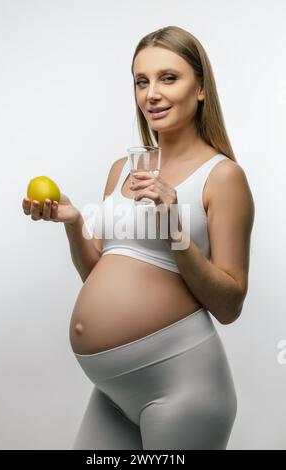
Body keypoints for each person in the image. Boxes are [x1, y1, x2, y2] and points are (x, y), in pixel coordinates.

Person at [22, 26, 255, 450]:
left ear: (201, 88)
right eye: (141, 81)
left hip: (184, 386)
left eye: (169, 78)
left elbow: (230, 305)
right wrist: (75, 225)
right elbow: (99, 275)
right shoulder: (122, 170)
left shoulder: (223, 177)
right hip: (114, 391)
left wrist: (175, 232)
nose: (152, 94)